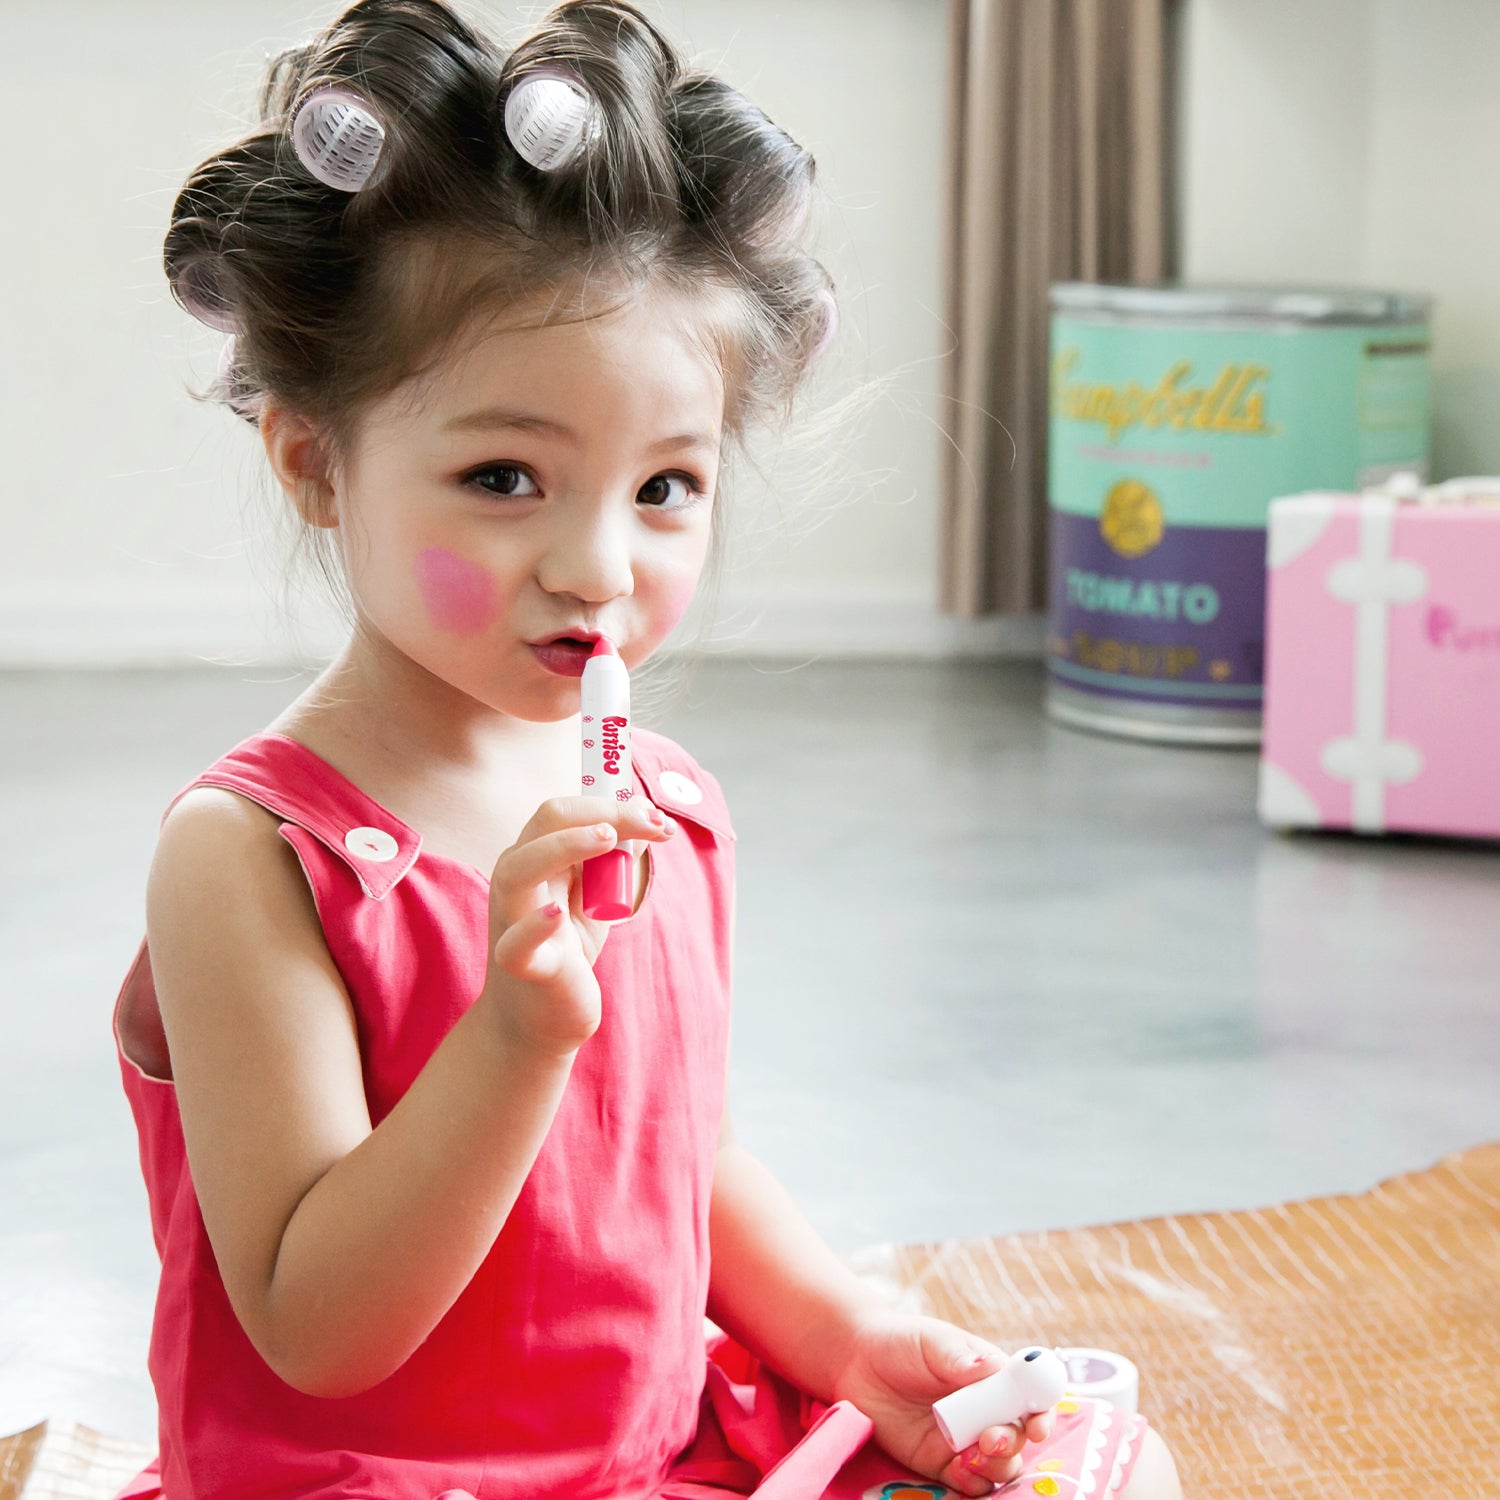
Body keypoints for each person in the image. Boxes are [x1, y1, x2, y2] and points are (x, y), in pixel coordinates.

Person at [111, 2, 1184, 1497]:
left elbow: (680, 1157)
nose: (599, 565)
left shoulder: (663, 804)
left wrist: (847, 1335)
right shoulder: (250, 858)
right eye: (506, 477)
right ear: (314, 461)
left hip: (650, 1455)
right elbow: (315, 1325)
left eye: (666, 486)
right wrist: (514, 1038)